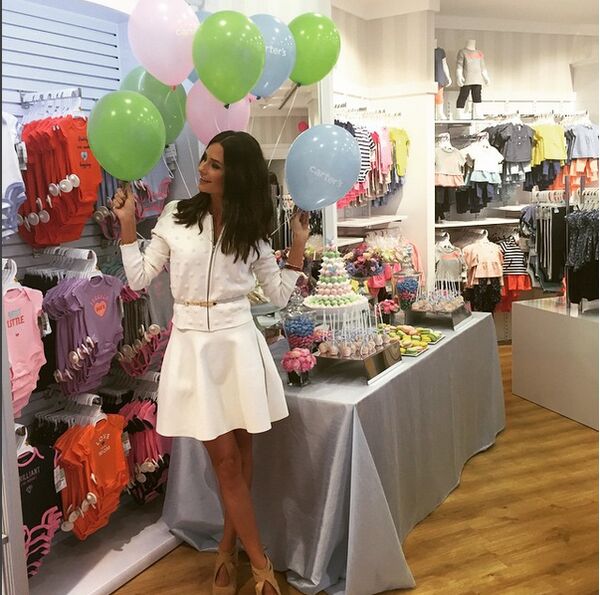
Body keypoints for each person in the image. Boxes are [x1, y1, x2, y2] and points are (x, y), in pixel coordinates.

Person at [113, 130, 310, 595]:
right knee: (226, 460)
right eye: (204, 159)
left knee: (241, 456)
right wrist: (127, 226)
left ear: (236, 175)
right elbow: (138, 278)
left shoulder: (250, 231)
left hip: (237, 344)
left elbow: (279, 294)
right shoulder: (175, 216)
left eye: (215, 164)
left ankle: (227, 548)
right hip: (192, 347)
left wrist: (299, 245)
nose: (202, 168)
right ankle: (260, 564)